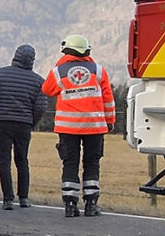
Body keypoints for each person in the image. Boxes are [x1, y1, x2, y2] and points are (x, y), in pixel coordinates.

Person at [42, 34, 116, 217]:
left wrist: (62, 65)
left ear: (66, 50)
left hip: (68, 128)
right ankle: (91, 205)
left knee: (70, 163)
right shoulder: (99, 70)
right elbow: (108, 99)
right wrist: (110, 122)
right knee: (92, 163)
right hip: (95, 127)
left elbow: (47, 90)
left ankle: (70, 205)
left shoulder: (58, 71)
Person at [0, 43, 48, 209]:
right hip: (24, 124)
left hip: (2, 122)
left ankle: (8, 199)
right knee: (22, 160)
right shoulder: (38, 81)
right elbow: (41, 106)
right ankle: (24, 198)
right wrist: (31, 122)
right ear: (32, 60)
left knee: (4, 161)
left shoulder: (0, 74)